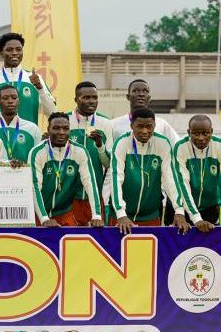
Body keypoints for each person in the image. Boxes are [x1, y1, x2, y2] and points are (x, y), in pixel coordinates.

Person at [111, 108, 190, 234]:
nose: (144, 131)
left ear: (154, 126)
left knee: (151, 253)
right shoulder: (122, 143)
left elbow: (170, 179)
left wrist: (179, 211)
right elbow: (116, 179)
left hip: (150, 216)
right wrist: (120, 213)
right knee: (117, 253)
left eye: (149, 127)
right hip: (122, 217)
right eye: (140, 126)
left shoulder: (163, 143)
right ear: (132, 126)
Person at [29, 113, 103, 227]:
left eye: (66, 128)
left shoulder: (79, 151)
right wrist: (44, 218)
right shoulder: (37, 152)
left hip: (65, 213)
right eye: (56, 128)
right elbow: (35, 187)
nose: (61, 132)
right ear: (48, 129)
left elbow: (90, 183)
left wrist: (97, 216)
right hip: (38, 215)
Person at [0, 33, 56, 124]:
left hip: (29, 136)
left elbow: (52, 113)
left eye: (18, 49)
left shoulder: (34, 78)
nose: (15, 53)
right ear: (1, 53)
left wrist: (40, 89)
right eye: (9, 50)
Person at [67, 81, 112, 224]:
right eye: (86, 97)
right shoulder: (64, 121)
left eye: (94, 97)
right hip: (68, 198)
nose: (91, 101)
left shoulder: (105, 123)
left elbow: (109, 163)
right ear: (76, 99)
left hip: (95, 197)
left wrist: (100, 145)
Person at [172, 115, 219, 232]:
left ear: (211, 132)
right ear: (189, 132)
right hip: (183, 210)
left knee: (209, 248)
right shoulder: (180, 147)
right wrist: (196, 218)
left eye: (205, 133)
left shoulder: (219, 146)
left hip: (210, 208)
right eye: (196, 133)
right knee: (177, 247)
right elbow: (182, 185)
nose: (201, 138)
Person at [0, 84, 41, 164]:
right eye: (5, 98)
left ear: (19, 101)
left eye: (14, 98)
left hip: (23, 175)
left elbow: (37, 159)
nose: (10, 101)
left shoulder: (32, 129)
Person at [110, 79, 179, 144]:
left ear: (149, 98)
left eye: (145, 91)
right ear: (128, 96)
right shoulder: (114, 124)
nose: (141, 94)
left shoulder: (161, 124)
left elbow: (177, 146)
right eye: (136, 91)